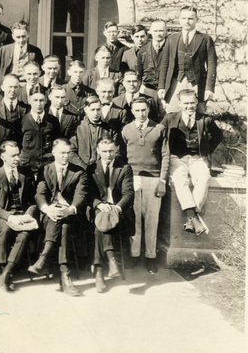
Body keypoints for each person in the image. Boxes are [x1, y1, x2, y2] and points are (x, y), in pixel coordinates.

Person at [28, 139, 88, 296]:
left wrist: (70, 210)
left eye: (68, 153)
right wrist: (48, 209)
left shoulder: (79, 172)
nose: (66, 156)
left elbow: (80, 195)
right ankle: (65, 276)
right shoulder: (45, 170)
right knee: (61, 223)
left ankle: (44, 258)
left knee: (65, 224)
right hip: (49, 215)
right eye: (62, 153)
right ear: (54, 153)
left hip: (71, 215)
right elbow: (40, 194)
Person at [162, 88, 223, 235]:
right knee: (179, 178)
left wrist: (206, 150)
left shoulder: (205, 120)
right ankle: (194, 217)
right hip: (177, 157)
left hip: (197, 158)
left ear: (196, 102)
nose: (189, 106)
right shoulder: (170, 118)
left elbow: (218, 135)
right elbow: (158, 134)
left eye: (192, 103)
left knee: (204, 177)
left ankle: (191, 217)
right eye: (186, 103)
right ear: (179, 103)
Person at [121, 97, 168, 273]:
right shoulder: (126, 130)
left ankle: (150, 256)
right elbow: (123, 154)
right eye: (137, 110)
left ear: (148, 110)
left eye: (143, 110)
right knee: (134, 217)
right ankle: (134, 254)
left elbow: (165, 155)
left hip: (153, 178)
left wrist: (162, 180)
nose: (141, 114)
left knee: (151, 219)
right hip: (132, 177)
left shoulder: (159, 129)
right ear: (132, 111)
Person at [0, 140, 39, 291]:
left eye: (18, 155)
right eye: (13, 156)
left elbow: (33, 199)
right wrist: (9, 217)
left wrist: (28, 214)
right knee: (4, 230)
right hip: (5, 215)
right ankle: (4, 268)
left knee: (24, 234)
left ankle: (6, 273)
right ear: (3, 157)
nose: (17, 159)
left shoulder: (26, 173)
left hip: (23, 214)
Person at [86, 137, 134, 292]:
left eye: (111, 151)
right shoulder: (91, 168)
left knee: (100, 226)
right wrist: (99, 204)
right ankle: (111, 260)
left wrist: (116, 209)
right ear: (98, 151)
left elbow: (128, 194)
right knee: (101, 221)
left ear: (116, 150)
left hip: (118, 211)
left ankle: (99, 272)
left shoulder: (125, 168)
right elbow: (88, 194)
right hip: (99, 209)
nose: (108, 155)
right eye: (104, 151)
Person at [158, 6, 218, 113]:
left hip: (196, 83)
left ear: (196, 20)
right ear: (179, 20)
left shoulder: (205, 39)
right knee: (172, 113)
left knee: (197, 113)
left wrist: (209, 88)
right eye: (184, 18)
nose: (187, 21)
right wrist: (162, 86)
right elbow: (164, 64)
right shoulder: (171, 39)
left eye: (190, 18)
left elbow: (212, 65)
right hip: (176, 82)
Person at [69, 95, 122, 170]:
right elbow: (71, 152)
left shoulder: (110, 129)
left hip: (103, 170)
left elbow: (117, 151)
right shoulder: (77, 128)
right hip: (82, 169)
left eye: (98, 109)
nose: (96, 113)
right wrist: (84, 167)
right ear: (85, 109)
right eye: (92, 110)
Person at [17, 91, 60, 171]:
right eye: (35, 100)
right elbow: (18, 145)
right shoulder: (21, 121)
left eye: (41, 100)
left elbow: (57, 142)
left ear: (46, 101)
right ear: (29, 101)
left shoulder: (53, 120)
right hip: (27, 166)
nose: (38, 104)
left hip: (47, 166)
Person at [136, 20, 168, 102]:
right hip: (148, 90)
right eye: (155, 31)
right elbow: (139, 73)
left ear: (166, 31)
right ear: (150, 32)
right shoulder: (142, 50)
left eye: (161, 31)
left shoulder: (171, 48)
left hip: (167, 90)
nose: (158, 34)